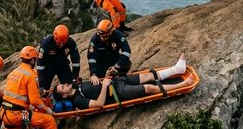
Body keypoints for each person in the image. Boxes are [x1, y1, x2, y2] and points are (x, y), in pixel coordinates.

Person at [1, 46, 70, 129]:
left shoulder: (13, 73)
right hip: (18, 114)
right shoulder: (31, 75)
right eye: (35, 59)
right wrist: (47, 110)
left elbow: (19, 93)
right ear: (33, 59)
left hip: (5, 113)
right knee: (49, 121)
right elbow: (35, 101)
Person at [54, 54, 191, 109]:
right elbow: (99, 104)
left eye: (63, 84)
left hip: (117, 81)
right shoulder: (78, 100)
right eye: (63, 87)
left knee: (147, 76)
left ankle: (176, 69)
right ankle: (182, 85)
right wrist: (105, 86)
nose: (65, 84)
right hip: (117, 92)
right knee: (149, 88)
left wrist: (105, 76)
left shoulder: (76, 85)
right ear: (65, 95)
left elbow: (98, 83)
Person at [36, 24, 81, 91]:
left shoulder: (71, 43)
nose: (61, 45)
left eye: (63, 43)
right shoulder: (46, 43)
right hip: (48, 67)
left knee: (70, 87)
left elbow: (76, 61)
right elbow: (40, 65)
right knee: (44, 90)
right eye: (59, 43)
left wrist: (74, 77)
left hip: (63, 65)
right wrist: (41, 84)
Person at [88, 19, 132, 83]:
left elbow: (126, 51)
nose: (103, 38)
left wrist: (117, 66)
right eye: (101, 36)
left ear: (111, 32)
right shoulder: (95, 39)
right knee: (99, 79)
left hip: (114, 59)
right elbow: (91, 58)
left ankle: (120, 75)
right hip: (101, 62)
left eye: (105, 36)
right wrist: (93, 74)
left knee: (127, 63)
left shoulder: (118, 35)